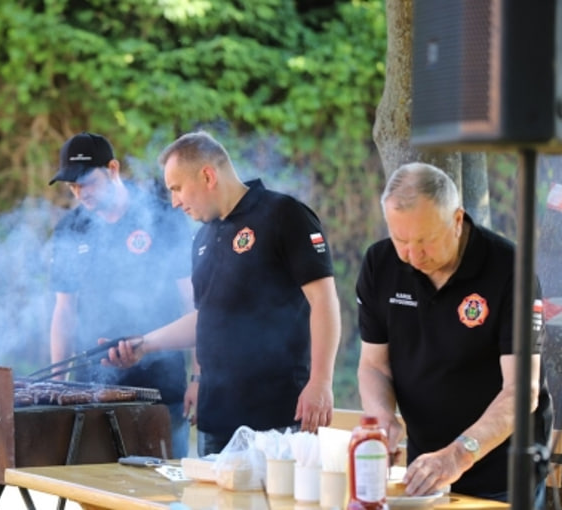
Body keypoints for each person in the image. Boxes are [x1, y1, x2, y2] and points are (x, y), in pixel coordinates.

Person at [105, 130, 343, 456]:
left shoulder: (284, 215)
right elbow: (206, 318)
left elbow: (324, 301)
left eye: (176, 188)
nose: (174, 201)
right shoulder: (202, 237)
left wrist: (321, 382)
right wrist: (145, 345)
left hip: (277, 417)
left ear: (207, 175)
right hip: (215, 419)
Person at [355, 162, 552, 502]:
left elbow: (522, 389)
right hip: (427, 470)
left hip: (502, 472)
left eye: (426, 240)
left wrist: (459, 454)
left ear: (457, 220)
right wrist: (383, 415)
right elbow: (374, 365)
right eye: (401, 239)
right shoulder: (380, 263)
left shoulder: (510, 269)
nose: (413, 255)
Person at [48, 132, 196, 459]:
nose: (78, 192)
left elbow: (193, 302)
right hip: (92, 392)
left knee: (166, 495)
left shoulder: (164, 217)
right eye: (71, 185)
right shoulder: (70, 230)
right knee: (95, 497)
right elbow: (64, 313)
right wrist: (56, 385)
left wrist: (200, 375)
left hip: (161, 392)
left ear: (112, 168)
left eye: (85, 182)